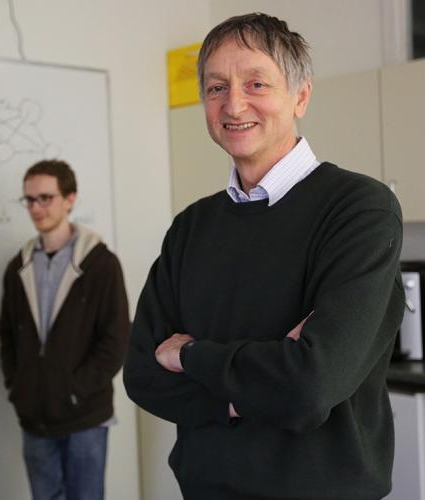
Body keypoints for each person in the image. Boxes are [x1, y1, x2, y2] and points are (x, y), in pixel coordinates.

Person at [123, 13, 405, 500]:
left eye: (256, 83)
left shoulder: (359, 209)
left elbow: (310, 386)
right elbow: (143, 376)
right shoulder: (191, 227)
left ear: (300, 96)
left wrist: (190, 354)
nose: (234, 103)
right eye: (216, 87)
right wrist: (269, 377)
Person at [0, 159, 130, 500]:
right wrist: (20, 387)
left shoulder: (101, 263)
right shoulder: (18, 267)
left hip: (85, 415)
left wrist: (75, 389)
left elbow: (116, 340)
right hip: (35, 418)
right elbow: (8, 335)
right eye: (29, 200)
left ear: (69, 199)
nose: (36, 208)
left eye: (45, 198)